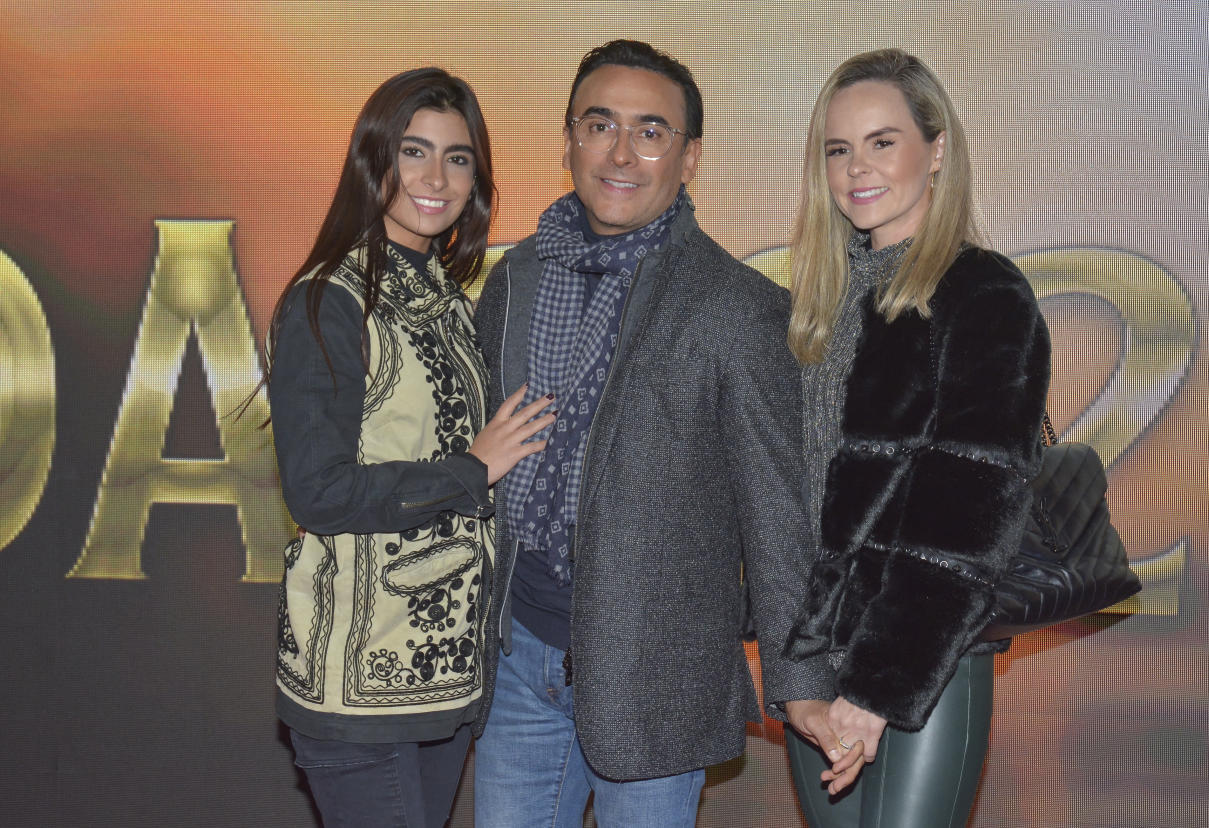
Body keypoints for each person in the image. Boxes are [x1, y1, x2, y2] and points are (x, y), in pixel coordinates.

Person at [469, 40, 826, 827]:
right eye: (600, 126)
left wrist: (801, 681)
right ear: (568, 141)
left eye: (651, 131)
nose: (621, 152)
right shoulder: (516, 277)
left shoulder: (735, 306)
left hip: (655, 673)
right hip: (519, 657)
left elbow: (777, 513)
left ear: (689, 157)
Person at [262, 68, 555, 828]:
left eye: (457, 158)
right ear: (374, 163)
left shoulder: (451, 300)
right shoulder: (330, 298)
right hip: (356, 685)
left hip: (449, 681)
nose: (436, 177)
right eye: (413, 152)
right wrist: (471, 471)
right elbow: (318, 491)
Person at [780, 49, 1052, 827]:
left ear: (936, 151)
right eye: (838, 149)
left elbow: (965, 520)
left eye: (882, 141)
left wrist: (877, 688)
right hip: (816, 660)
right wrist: (798, 666)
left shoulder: (984, 293)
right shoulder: (816, 310)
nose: (857, 168)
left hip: (923, 665)